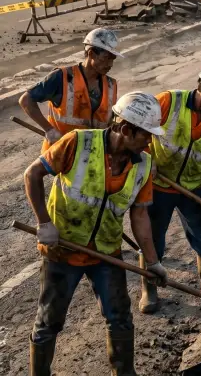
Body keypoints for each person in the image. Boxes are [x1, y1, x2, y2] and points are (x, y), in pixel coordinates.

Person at [24, 92, 167, 376]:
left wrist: (152, 262)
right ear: (125, 130)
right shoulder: (78, 142)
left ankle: (124, 373)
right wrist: (44, 223)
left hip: (106, 252)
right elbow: (32, 174)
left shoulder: (144, 164)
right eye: (146, 135)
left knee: (120, 318)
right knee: (49, 322)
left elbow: (139, 215)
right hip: (62, 252)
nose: (150, 141)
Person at [139, 63, 201, 314]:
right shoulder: (168, 102)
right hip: (159, 185)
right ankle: (149, 291)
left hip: (192, 188)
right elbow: (140, 131)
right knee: (153, 241)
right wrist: (145, 160)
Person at [19, 28, 122, 152]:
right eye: (106, 58)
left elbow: (109, 122)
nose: (110, 64)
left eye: (113, 59)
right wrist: (49, 130)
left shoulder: (111, 85)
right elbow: (26, 100)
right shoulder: (62, 77)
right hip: (59, 155)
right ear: (91, 54)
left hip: (92, 157)